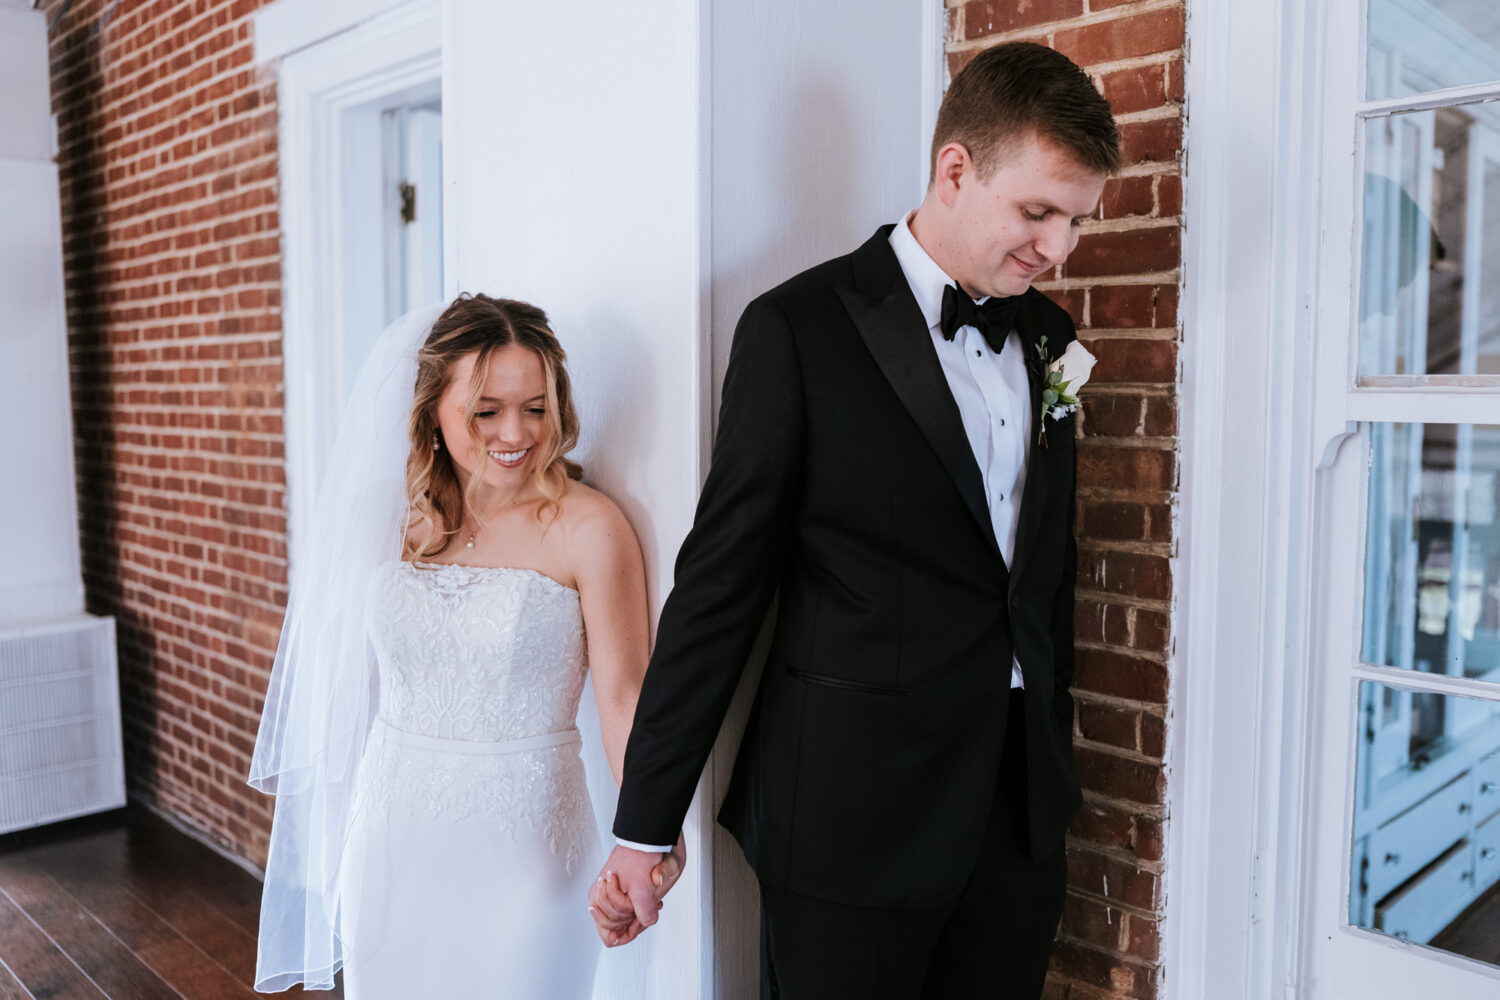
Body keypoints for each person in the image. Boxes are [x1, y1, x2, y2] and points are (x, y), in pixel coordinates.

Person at [589, 42, 1119, 999]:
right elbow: (721, 588)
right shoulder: (798, 331)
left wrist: (1053, 775)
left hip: (1016, 826)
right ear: (955, 170)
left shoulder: (1047, 340)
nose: (1059, 250)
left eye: (1076, 221)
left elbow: (1045, 572)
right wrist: (643, 825)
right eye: (1039, 212)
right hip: (850, 825)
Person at [248, 294, 680, 997]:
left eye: (536, 407)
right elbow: (338, 691)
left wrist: (653, 837)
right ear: (430, 412)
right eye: (486, 411)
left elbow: (628, 699)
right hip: (390, 848)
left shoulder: (589, 528)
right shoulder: (382, 517)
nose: (516, 432)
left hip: (530, 861)